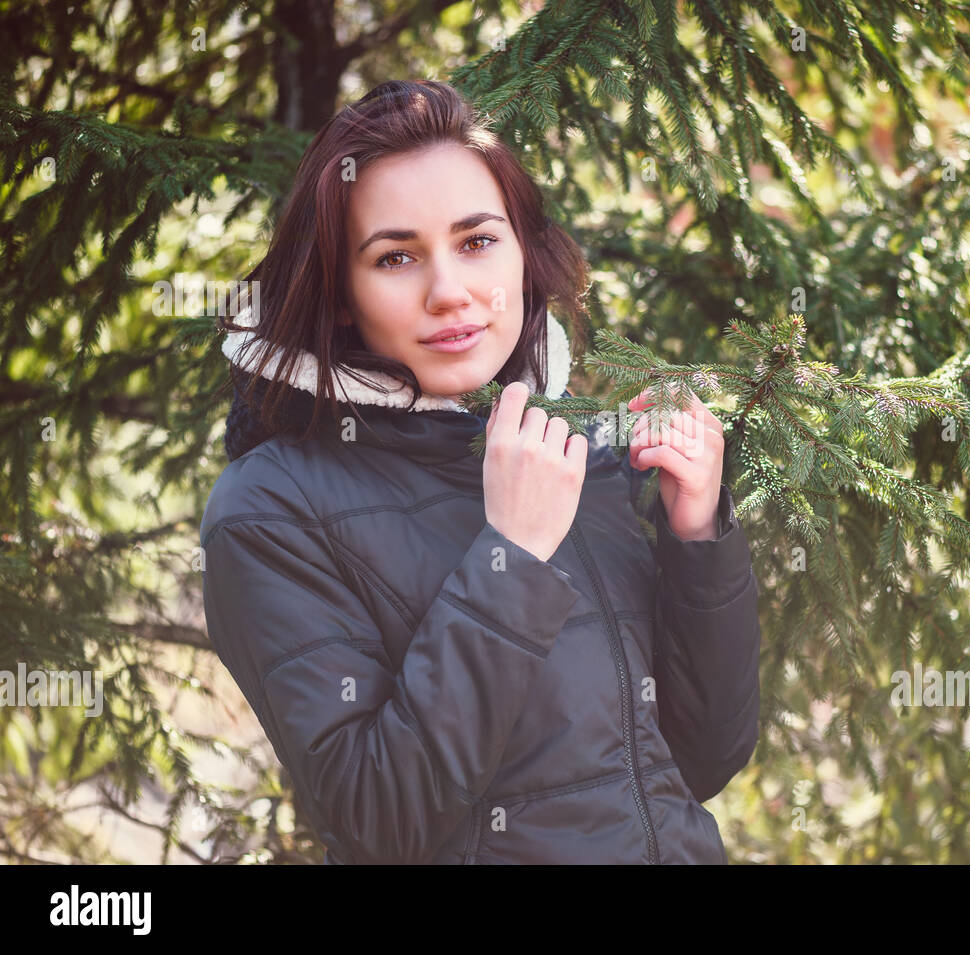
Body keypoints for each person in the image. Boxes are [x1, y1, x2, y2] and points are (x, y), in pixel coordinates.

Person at [198, 79, 762, 864]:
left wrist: (696, 532)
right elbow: (377, 816)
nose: (450, 292)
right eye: (396, 256)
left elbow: (703, 759)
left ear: (524, 255)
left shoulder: (579, 454)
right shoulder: (270, 510)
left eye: (477, 241)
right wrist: (512, 554)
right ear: (338, 296)